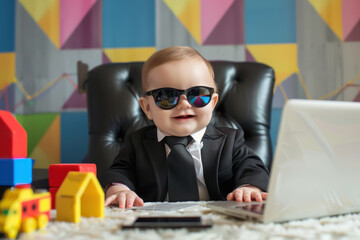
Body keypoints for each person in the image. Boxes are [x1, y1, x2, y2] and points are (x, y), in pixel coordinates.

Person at [103, 46, 269, 209]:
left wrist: (249, 187)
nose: (184, 104)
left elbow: (252, 167)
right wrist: (120, 190)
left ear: (212, 103)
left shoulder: (230, 141)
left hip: (215, 219)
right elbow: (120, 171)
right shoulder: (136, 142)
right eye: (166, 97)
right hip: (156, 219)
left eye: (197, 94)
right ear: (147, 108)